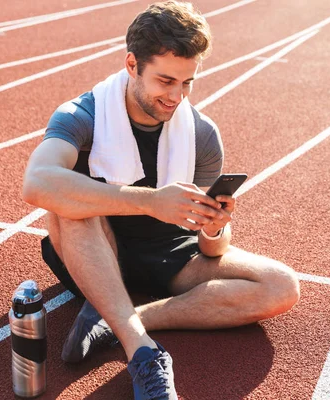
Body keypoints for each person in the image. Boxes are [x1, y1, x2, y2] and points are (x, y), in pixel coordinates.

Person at [22, 2, 300, 399]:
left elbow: (212, 248)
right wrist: (151, 202)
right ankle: (144, 354)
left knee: (280, 286)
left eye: (186, 83)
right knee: (69, 206)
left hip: (168, 254)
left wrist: (214, 224)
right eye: (165, 81)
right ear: (132, 64)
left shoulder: (201, 134)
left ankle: (124, 319)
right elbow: (37, 183)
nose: (176, 96)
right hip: (95, 250)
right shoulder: (83, 115)